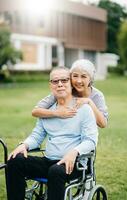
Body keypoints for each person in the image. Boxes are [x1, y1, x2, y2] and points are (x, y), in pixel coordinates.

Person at [7, 66, 98, 200]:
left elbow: (91, 140)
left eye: (64, 80)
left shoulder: (84, 109)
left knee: (55, 171)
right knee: (15, 160)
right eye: (55, 81)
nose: (60, 84)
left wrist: (74, 152)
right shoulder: (47, 111)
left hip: (74, 164)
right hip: (49, 161)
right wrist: (24, 145)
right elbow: (37, 136)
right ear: (51, 85)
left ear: (70, 84)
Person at [32, 59, 108, 128]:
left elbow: (103, 124)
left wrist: (89, 102)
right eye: (75, 76)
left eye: (83, 76)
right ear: (70, 77)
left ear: (90, 79)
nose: (78, 81)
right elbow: (35, 111)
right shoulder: (64, 91)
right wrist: (58, 113)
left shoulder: (97, 95)